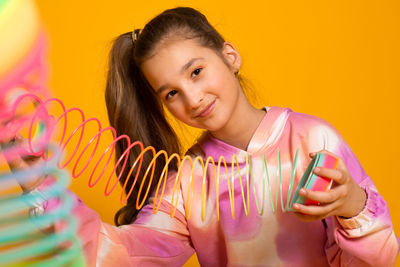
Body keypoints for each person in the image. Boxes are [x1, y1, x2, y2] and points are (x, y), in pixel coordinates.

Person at [8, 6, 400, 267]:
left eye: (195, 71)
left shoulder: (314, 140)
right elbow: (120, 257)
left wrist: (352, 205)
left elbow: (381, 260)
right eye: (171, 93)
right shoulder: (187, 183)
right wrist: (41, 187)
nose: (192, 99)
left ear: (229, 56)